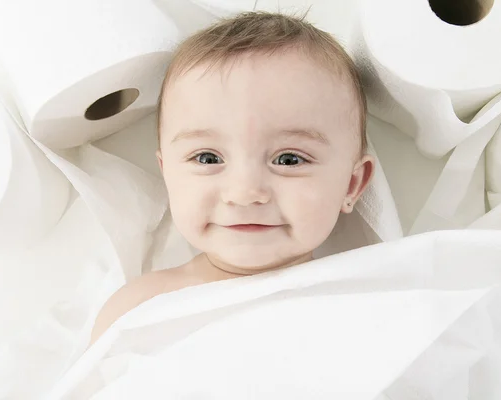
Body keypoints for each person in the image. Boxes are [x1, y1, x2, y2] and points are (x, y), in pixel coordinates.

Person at [89, 11, 375, 345]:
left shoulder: (363, 307)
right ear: (168, 175)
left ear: (352, 184)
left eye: (289, 159)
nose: (245, 193)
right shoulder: (140, 308)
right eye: (208, 158)